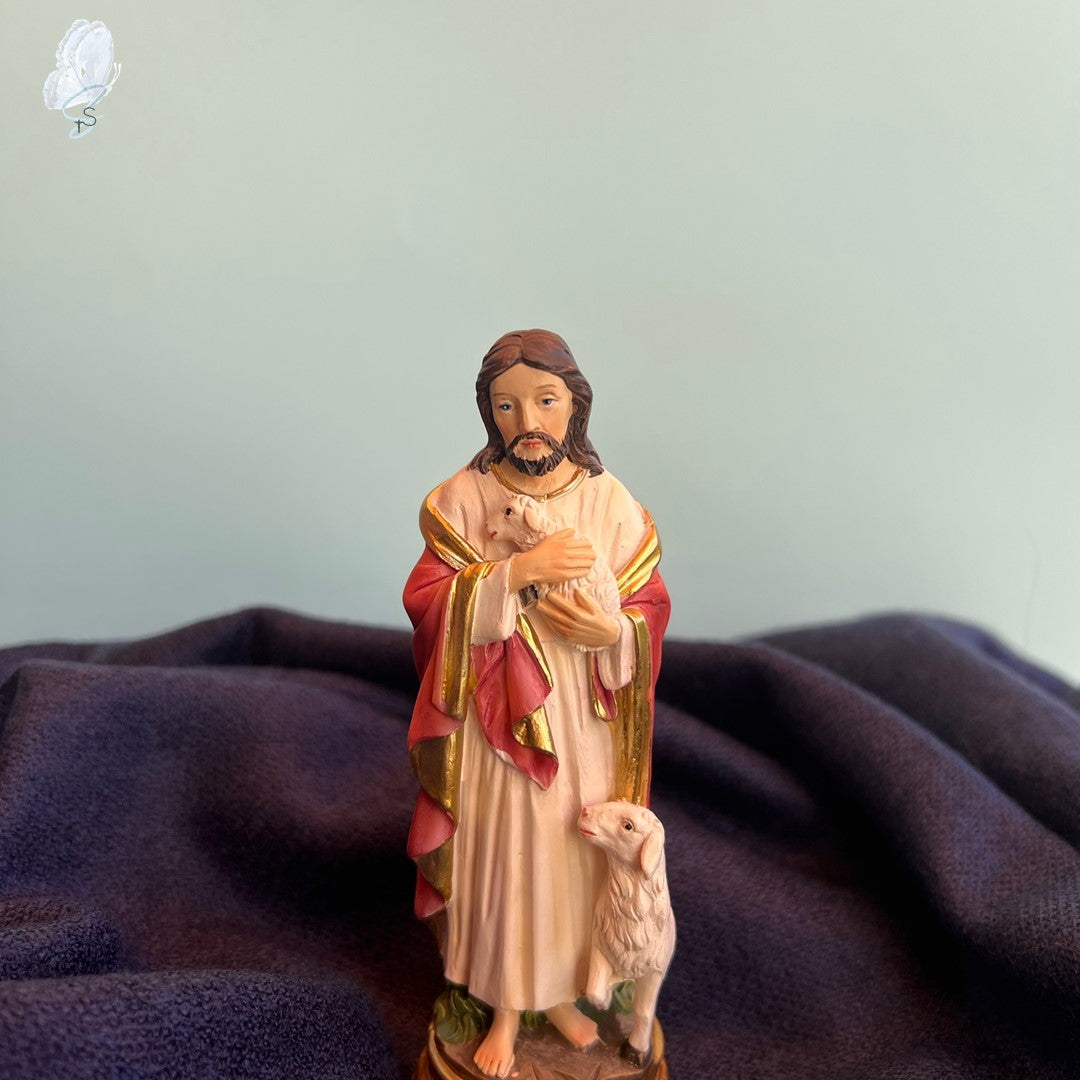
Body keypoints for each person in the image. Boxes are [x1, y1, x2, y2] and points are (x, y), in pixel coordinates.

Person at [404, 329, 670, 1078]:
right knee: (507, 862)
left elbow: (648, 607)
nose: (528, 421)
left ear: (574, 406)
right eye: (507, 405)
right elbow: (428, 605)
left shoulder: (610, 503)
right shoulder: (461, 499)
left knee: (571, 860)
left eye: (545, 401)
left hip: (584, 722)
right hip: (498, 727)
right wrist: (516, 573)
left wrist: (616, 632)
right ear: (488, 412)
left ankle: (560, 998)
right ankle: (501, 1007)